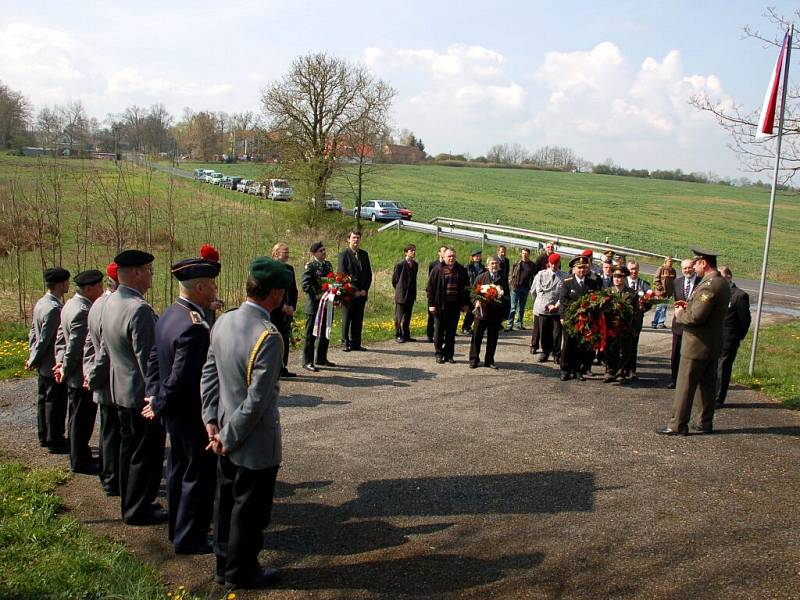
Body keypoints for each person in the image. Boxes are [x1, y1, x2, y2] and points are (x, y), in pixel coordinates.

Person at [201, 256, 292, 589]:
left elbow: (209, 374)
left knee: (225, 502)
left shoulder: (223, 321)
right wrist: (228, 434)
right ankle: (243, 572)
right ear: (275, 294)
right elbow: (257, 401)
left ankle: (224, 565)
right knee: (250, 511)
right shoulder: (268, 336)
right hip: (252, 440)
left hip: (223, 429)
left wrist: (211, 419)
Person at [144, 256, 220, 555]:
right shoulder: (194, 327)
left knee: (177, 471)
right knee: (197, 476)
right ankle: (190, 537)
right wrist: (160, 400)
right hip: (191, 414)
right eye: (212, 284)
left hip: (175, 414)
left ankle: (178, 528)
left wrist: (152, 393)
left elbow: (153, 359)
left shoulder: (170, 314)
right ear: (199, 287)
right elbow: (181, 376)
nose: (215, 289)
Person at [102, 249, 167, 525]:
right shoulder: (138, 309)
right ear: (137, 273)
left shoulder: (112, 301)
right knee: (145, 455)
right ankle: (139, 508)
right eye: (149, 270)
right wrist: (157, 397)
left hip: (120, 389)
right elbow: (148, 360)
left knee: (128, 451)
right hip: (141, 395)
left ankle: (130, 502)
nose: (152, 275)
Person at [658, 247, 730, 436]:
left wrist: (681, 314)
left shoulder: (709, 285)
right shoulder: (721, 282)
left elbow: (696, 317)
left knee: (685, 386)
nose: (694, 267)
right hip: (711, 344)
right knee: (706, 387)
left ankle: (677, 425)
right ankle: (703, 422)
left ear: (703, 263)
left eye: (696, 263)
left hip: (696, 345)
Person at [54, 269, 104, 474]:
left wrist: (59, 363)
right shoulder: (83, 310)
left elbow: (60, 338)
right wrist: (65, 368)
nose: (101, 290)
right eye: (99, 287)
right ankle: (80, 460)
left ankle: (79, 456)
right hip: (79, 375)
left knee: (76, 417)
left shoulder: (69, 305)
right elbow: (77, 346)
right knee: (81, 420)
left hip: (72, 372)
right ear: (89, 288)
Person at [83, 262, 120, 496]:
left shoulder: (96, 304)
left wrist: (88, 373)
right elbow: (105, 349)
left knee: (107, 430)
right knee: (114, 433)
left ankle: (107, 474)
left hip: (101, 376)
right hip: (112, 379)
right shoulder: (112, 307)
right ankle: (112, 478)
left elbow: (89, 343)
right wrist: (94, 375)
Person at [27, 267, 70, 454]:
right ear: (60, 285)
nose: (69, 285)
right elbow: (45, 339)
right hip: (52, 363)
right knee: (55, 402)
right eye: (67, 282)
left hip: (43, 362)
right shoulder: (54, 309)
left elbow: (33, 333)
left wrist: (32, 357)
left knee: (43, 400)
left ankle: (44, 435)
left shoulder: (41, 303)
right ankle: (55, 439)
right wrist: (34, 358)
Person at [559, 255, 600, 381]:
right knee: (568, 344)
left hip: (586, 320)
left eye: (584, 268)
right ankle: (565, 370)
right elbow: (563, 300)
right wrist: (562, 316)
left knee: (581, 345)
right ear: (574, 269)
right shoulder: (567, 282)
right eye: (579, 268)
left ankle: (577, 370)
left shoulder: (592, 283)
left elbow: (596, 299)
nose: (582, 270)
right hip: (571, 319)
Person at [716, 266, 751, 407]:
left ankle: (718, 398)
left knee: (723, 369)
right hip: (714, 338)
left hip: (729, 339)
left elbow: (745, 320)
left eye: (721, 277)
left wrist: (736, 337)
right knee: (712, 368)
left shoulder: (739, 295)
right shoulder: (717, 292)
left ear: (729, 277)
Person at [427, 247, 470, 364]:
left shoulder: (461, 270)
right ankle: (439, 353)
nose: (451, 258)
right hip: (440, 306)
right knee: (439, 331)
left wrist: (466, 303)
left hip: (454, 306)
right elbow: (430, 289)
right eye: (449, 256)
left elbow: (466, 288)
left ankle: (449, 354)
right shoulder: (437, 270)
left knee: (451, 332)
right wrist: (431, 304)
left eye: (453, 256)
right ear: (444, 257)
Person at [469, 256, 510, 369]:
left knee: (493, 338)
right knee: (476, 337)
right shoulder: (481, 278)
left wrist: (505, 314)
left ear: (499, 265)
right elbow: (473, 294)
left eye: (496, 264)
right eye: (492, 263)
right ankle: (474, 359)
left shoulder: (503, 279)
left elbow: (507, 297)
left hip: (495, 314)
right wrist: (476, 301)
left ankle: (489, 360)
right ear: (488, 265)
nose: (494, 266)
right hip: (481, 313)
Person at [300, 242, 335, 372]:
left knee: (326, 331)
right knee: (311, 334)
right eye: (321, 251)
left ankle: (321, 358)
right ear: (314, 253)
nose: (324, 252)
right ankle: (307, 361)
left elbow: (332, 282)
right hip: (314, 305)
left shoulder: (328, 265)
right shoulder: (311, 266)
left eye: (324, 250)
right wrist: (319, 296)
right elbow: (305, 285)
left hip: (327, 304)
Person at [667, 259, 699, 389]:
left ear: (694, 267)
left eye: (689, 267)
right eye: (684, 268)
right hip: (679, 324)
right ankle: (674, 379)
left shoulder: (701, 282)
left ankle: (689, 381)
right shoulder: (677, 282)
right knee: (676, 354)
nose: (687, 270)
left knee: (692, 354)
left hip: (693, 325)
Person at [338, 231, 372, 352]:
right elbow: (342, 275)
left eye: (358, 238)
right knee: (347, 318)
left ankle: (356, 343)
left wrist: (364, 290)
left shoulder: (364, 254)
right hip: (349, 294)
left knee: (358, 319)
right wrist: (354, 291)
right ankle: (345, 342)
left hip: (362, 293)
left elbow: (369, 274)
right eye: (353, 238)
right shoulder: (343, 255)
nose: (356, 240)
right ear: (348, 239)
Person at [603, 265, 636, 383]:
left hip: (625, 328)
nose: (618, 279)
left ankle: (621, 371)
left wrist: (634, 328)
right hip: (610, 327)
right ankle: (609, 371)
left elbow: (636, 312)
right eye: (616, 276)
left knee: (625, 351)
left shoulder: (632, 294)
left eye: (621, 277)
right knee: (610, 350)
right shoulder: (606, 292)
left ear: (625, 278)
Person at [270, 243, 298, 378]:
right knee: (274, 339)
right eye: (284, 252)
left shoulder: (289, 269)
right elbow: (270, 291)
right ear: (275, 253)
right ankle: (273, 368)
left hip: (287, 312)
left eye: (288, 252)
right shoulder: (270, 269)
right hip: (274, 311)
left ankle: (283, 367)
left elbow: (293, 290)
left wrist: (292, 306)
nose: (287, 254)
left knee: (285, 339)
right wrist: (282, 306)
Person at [530, 253, 563, 363]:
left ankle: (557, 354)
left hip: (557, 310)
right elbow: (538, 291)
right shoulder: (541, 274)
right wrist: (547, 305)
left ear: (559, 263)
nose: (553, 266)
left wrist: (556, 305)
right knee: (544, 333)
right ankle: (545, 352)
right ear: (548, 263)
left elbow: (563, 294)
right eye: (552, 264)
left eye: (556, 264)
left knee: (557, 334)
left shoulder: (564, 276)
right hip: (544, 309)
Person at [625, 260, 651, 380]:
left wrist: (643, 308)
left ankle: (631, 370)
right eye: (631, 269)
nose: (633, 271)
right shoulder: (623, 282)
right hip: (623, 319)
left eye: (635, 269)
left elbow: (650, 301)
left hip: (636, 320)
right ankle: (619, 369)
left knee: (633, 345)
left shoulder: (644, 284)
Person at [391, 244, 418, 343]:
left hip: (411, 294)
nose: (413, 252)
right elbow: (394, 280)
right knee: (399, 316)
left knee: (408, 316)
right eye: (411, 250)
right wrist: (400, 289)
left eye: (414, 250)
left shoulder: (415, 265)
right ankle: (398, 334)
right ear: (406, 252)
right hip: (401, 295)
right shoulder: (400, 265)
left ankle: (406, 334)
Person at [507, 248, 536, 331]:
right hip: (515, 287)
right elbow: (510, 273)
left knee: (522, 308)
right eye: (523, 253)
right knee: (513, 307)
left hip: (526, 288)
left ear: (529, 254)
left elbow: (534, 276)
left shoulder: (532, 265)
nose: (524, 255)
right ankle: (509, 324)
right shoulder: (516, 263)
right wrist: (510, 281)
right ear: (521, 254)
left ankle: (519, 323)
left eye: (526, 253)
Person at [460, 249, 485, 334]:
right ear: (472, 257)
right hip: (469, 291)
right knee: (470, 310)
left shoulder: (482, 268)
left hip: (479, 291)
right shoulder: (467, 267)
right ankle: (465, 327)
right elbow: (464, 279)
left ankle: (473, 327)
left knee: (477, 310)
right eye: (476, 256)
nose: (478, 257)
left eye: (479, 256)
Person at [426, 246, 447, 342]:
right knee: (431, 316)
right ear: (439, 253)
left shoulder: (449, 265)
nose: (444, 253)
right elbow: (430, 280)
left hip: (444, 295)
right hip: (434, 294)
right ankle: (429, 335)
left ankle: (441, 335)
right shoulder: (433, 264)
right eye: (443, 251)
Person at [651, 256, 676, 328]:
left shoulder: (673, 270)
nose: (671, 263)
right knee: (660, 307)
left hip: (668, 292)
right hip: (661, 292)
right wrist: (660, 288)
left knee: (663, 307)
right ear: (665, 262)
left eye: (672, 262)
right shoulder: (661, 269)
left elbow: (674, 280)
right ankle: (658, 323)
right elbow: (655, 280)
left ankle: (658, 322)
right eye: (669, 261)